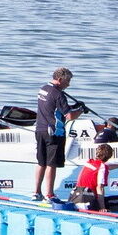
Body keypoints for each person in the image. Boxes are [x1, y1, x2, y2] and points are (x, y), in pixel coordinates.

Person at [33, 67, 83, 201]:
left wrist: (73, 106)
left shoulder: (43, 88)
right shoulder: (59, 94)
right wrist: (81, 110)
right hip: (54, 133)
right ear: (60, 80)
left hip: (40, 129)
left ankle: (36, 192)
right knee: (51, 164)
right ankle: (49, 194)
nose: (69, 84)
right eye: (67, 81)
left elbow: (56, 108)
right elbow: (70, 116)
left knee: (41, 162)